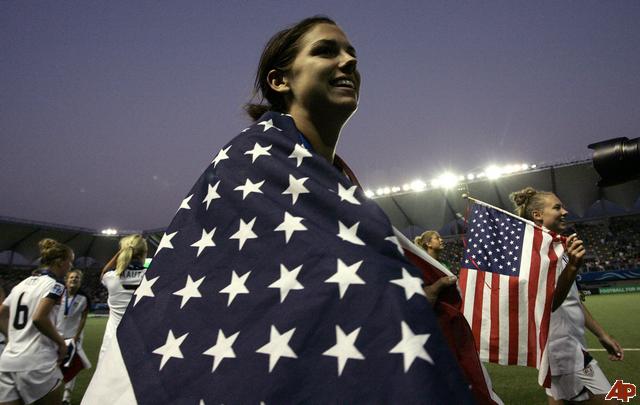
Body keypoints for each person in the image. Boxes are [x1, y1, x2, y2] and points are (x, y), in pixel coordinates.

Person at [83, 16, 476, 404]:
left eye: (351, 53)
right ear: (279, 80)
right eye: (326, 51)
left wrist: (397, 302)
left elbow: (316, 303)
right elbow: (248, 309)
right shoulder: (250, 161)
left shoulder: (335, 182)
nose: (349, 61)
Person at [510, 187, 623, 404]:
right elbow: (546, 304)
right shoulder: (534, 254)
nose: (565, 211)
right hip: (562, 349)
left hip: (568, 346)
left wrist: (601, 334)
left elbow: (572, 300)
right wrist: (572, 267)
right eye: (557, 207)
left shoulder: (557, 247)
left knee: (559, 399)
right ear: (538, 215)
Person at [0, 238, 74, 405]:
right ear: (60, 262)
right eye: (70, 262)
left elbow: (1, 314)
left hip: (8, 361)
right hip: (37, 363)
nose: (71, 266)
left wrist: (11, 339)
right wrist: (61, 343)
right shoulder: (56, 286)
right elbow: (39, 318)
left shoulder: (20, 285)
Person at [97, 234, 148, 360]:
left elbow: (103, 273)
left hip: (112, 343)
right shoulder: (152, 277)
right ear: (144, 253)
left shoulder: (111, 278)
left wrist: (121, 252)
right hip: (140, 342)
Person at [56, 269, 91, 405]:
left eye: (77, 278)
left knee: (70, 366)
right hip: (56, 336)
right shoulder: (59, 293)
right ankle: (50, 391)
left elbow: (83, 318)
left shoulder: (84, 297)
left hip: (73, 337)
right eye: (71, 277)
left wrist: (77, 336)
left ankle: (66, 397)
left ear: (80, 281)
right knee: (55, 364)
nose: (74, 280)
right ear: (66, 280)